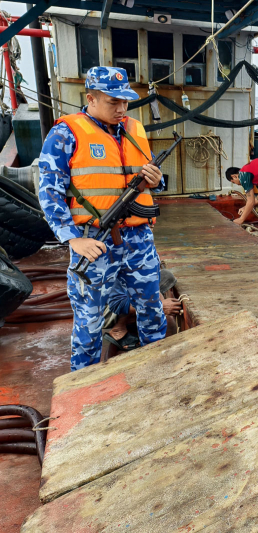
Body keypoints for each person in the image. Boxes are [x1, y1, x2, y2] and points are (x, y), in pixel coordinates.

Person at [38, 66, 166, 372]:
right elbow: (48, 191)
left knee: (152, 309)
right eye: (113, 101)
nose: (121, 108)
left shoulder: (135, 130)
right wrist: (73, 238)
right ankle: (83, 387)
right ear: (91, 98)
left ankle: (162, 371)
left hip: (138, 239)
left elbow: (151, 183)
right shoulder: (65, 134)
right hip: (94, 240)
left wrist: (156, 179)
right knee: (90, 320)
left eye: (125, 101)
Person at [103, 268, 182, 352]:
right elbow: (117, 303)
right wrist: (159, 306)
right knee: (142, 288)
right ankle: (118, 329)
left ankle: (141, 317)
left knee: (166, 277)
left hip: (119, 290)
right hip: (103, 309)